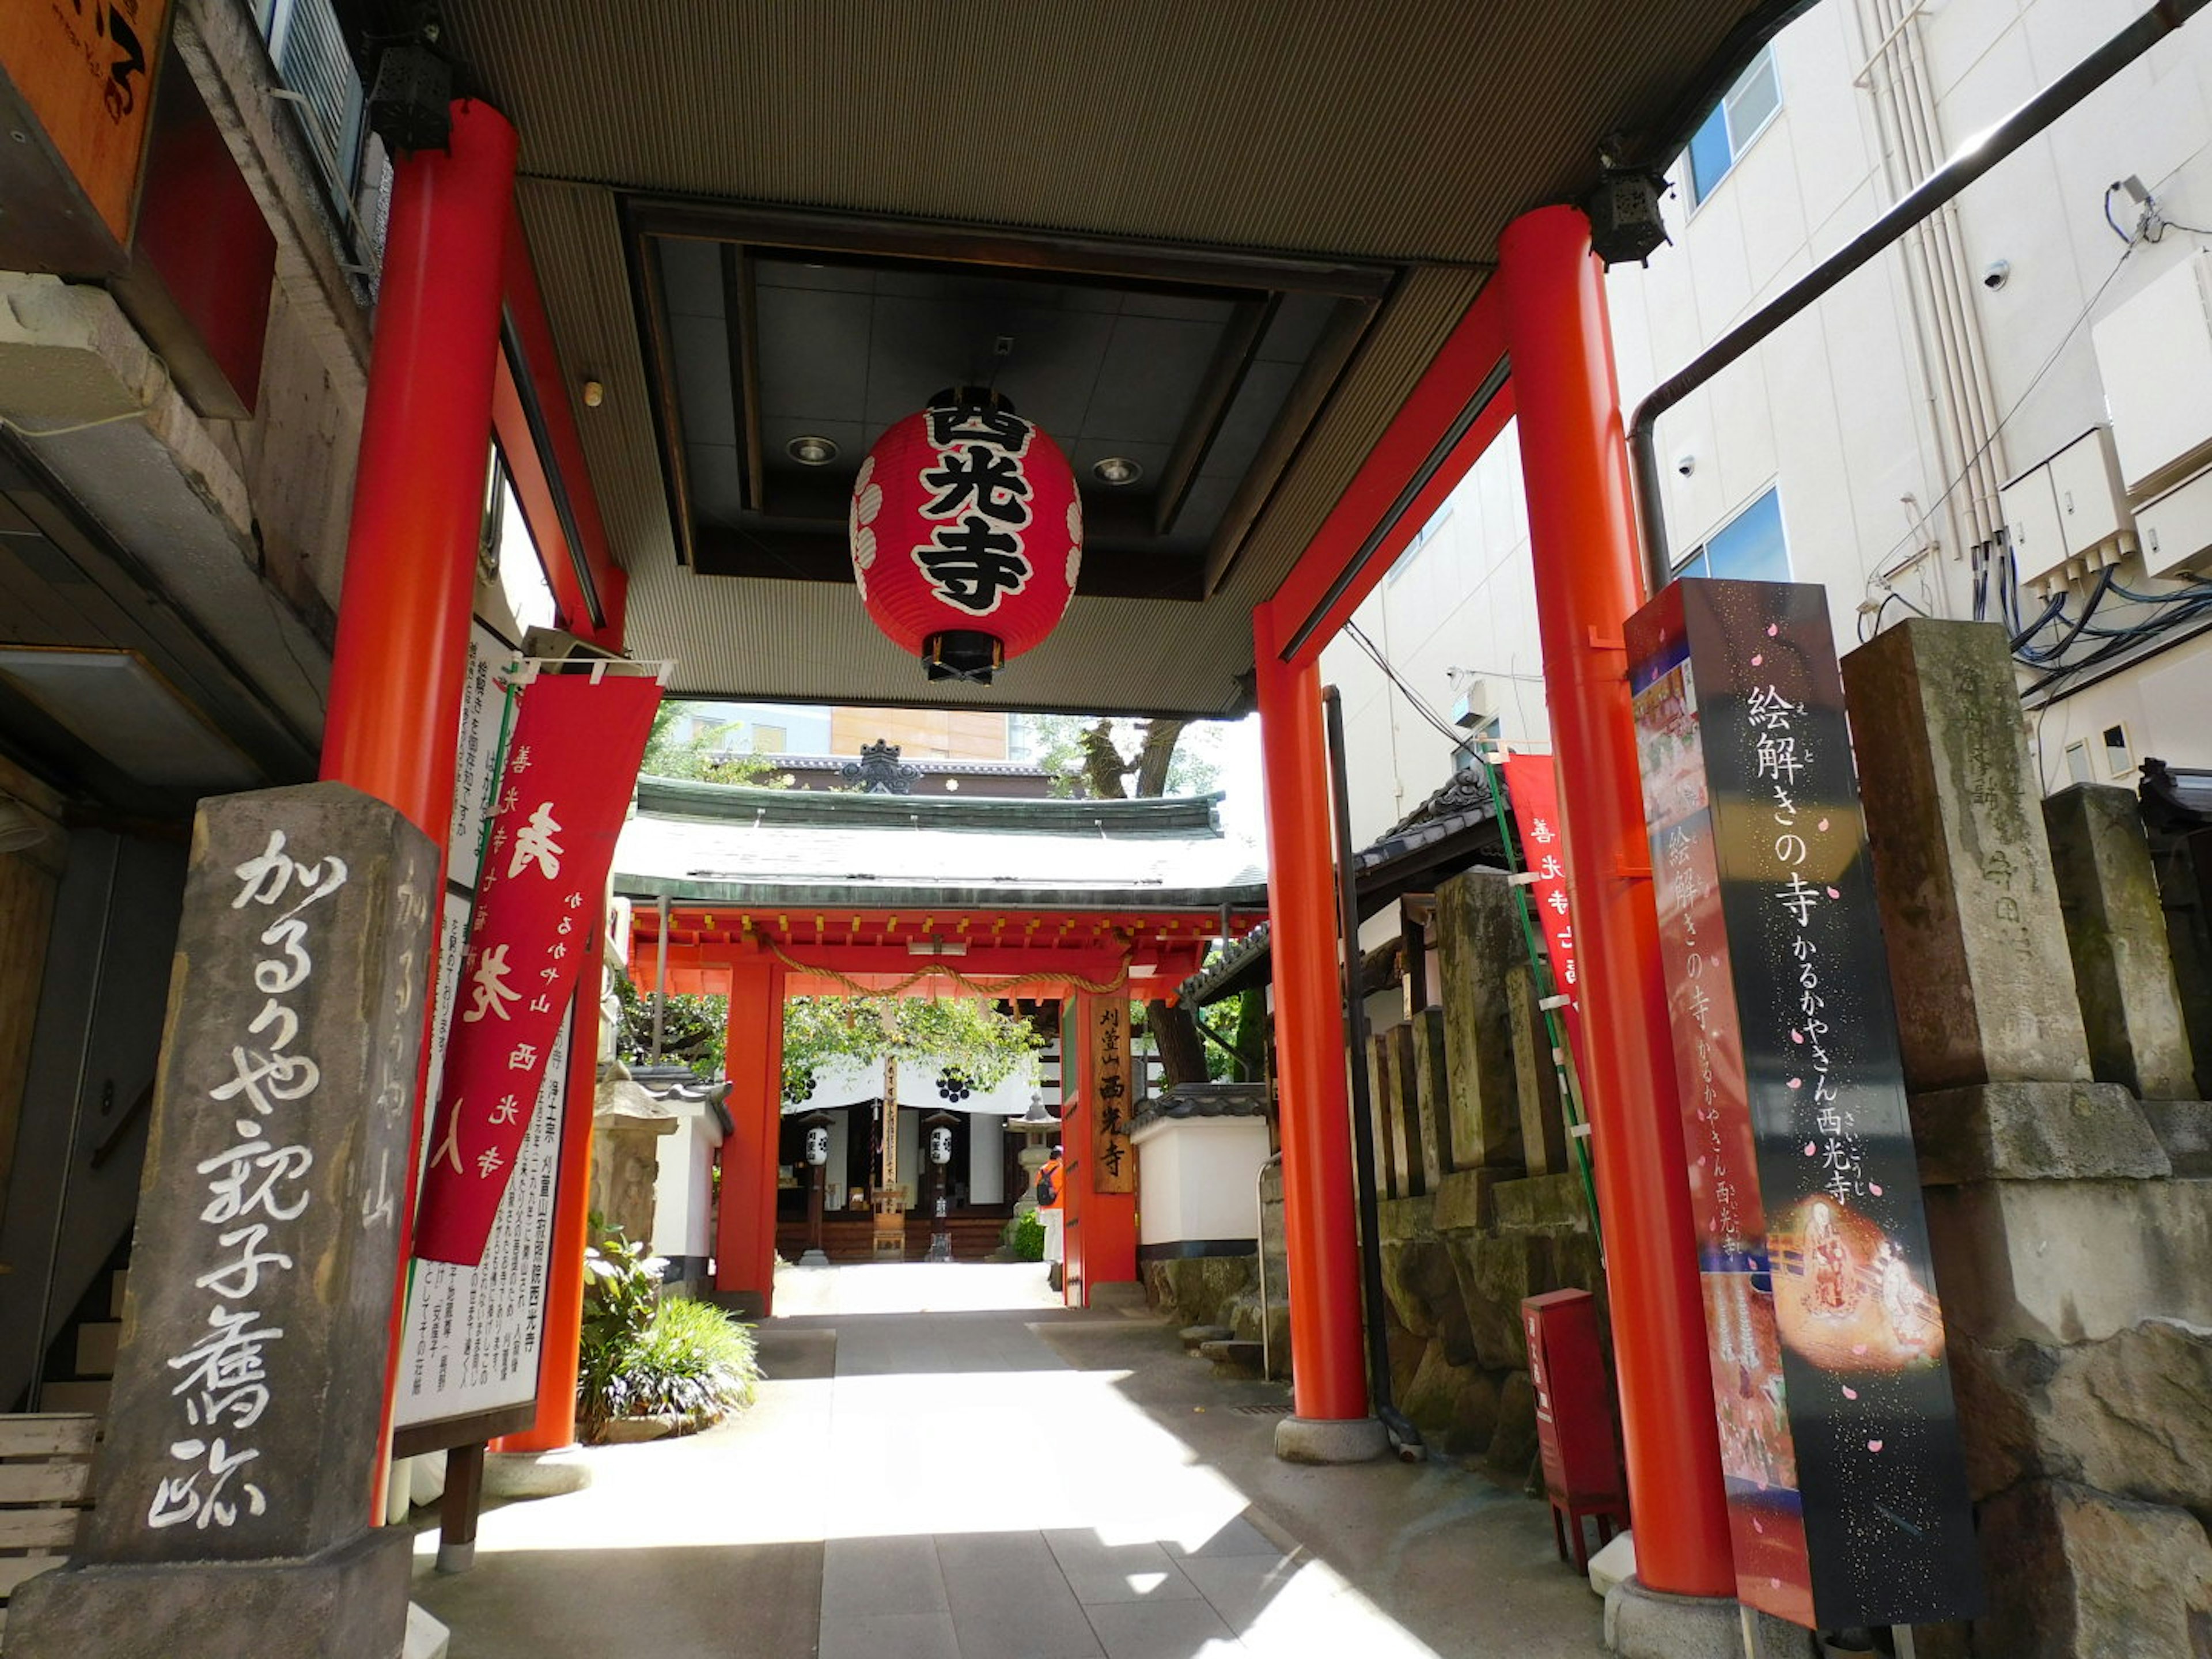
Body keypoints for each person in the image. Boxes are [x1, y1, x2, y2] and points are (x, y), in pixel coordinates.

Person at [1037, 1143, 1066, 1292]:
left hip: (1046, 1206)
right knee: (1060, 1230)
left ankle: (1048, 1255)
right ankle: (1058, 1256)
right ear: (1060, 1157)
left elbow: (1038, 1186)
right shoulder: (1062, 1169)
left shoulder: (1042, 1170)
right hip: (1060, 1204)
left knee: (1050, 1231)